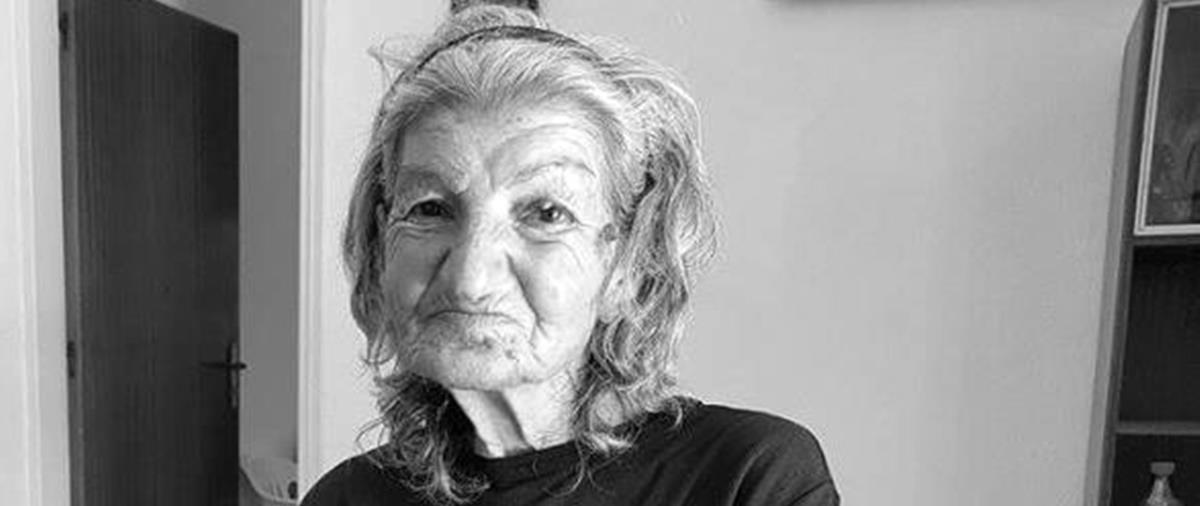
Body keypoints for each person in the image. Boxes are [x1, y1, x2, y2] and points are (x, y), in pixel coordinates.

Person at [302, 2, 839, 505]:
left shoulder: (747, 476)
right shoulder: (346, 497)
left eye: (546, 214)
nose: (470, 278)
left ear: (627, 266)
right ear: (381, 247)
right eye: (430, 209)